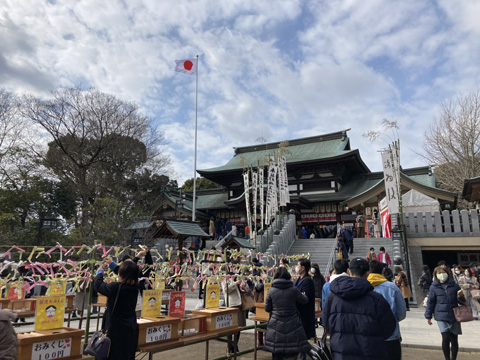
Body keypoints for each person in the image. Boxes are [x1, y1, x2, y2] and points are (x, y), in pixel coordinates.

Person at [322, 257, 397, 360]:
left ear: (348, 271)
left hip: (341, 353)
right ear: (367, 273)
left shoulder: (332, 297)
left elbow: (327, 326)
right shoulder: (377, 299)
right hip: (371, 352)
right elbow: (389, 329)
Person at [94, 261, 140, 360]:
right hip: (129, 330)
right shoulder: (135, 287)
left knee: (112, 354)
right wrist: (112, 264)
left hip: (114, 330)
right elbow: (129, 272)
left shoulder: (115, 287)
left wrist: (99, 273)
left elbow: (98, 286)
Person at [264, 267, 311, 360]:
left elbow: (267, 308)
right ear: (288, 276)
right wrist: (304, 295)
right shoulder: (294, 289)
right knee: (293, 352)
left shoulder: (271, 290)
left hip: (275, 325)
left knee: (277, 353)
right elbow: (304, 301)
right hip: (293, 324)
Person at [368, 260, 407, 360]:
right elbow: (401, 313)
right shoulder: (392, 287)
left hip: (369, 336)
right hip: (390, 335)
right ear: (383, 271)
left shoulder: (362, 287)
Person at [425, 266, 465, 360]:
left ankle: (453, 358)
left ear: (447, 273)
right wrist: (428, 316)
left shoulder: (454, 285)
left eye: (443, 273)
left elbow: (462, 302)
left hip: (454, 314)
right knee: (445, 337)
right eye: (439, 274)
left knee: (454, 339)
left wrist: (460, 296)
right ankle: (447, 358)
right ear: (435, 275)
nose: (441, 275)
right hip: (441, 315)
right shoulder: (433, 287)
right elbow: (431, 302)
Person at [295, 258, 316, 346]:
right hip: (298, 314)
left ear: (303, 268)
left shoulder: (308, 281)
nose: (296, 267)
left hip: (304, 315)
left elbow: (304, 298)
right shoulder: (298, 279)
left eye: (298, 265)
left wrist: (298, 295)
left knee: (302, 340)